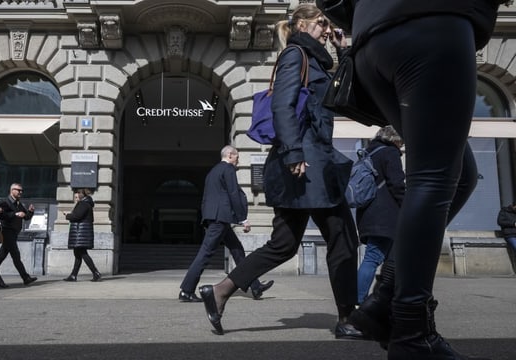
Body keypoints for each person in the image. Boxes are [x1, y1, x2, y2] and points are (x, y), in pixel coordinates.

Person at [343, 0, 503, 358]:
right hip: (434, 20)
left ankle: (384, 301)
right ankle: (412, 332)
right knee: (432, 180)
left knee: (460, 177)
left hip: (373, 40)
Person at [198, 5, 362, 339]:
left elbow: (342, 96)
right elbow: (282, 105)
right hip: (306, 164)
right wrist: (292, 152)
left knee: (284, 243)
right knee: (342, 238)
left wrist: (343, 51)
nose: (326, 29)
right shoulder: (296, 55)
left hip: (311, 163)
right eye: (322, 23)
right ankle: (348, 318)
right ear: (302, 24)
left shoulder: (316, 59)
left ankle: (219, 292)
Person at [178, 145, 274, 303]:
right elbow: (233, 194)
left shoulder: (212, 172)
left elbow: (206, 198)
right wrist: (243, 218)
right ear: (230, 155)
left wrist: (206, 218)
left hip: (216, 218)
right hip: (220, 219)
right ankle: (186, 290)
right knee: (205, 254)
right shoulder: (228, 169)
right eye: (237, 156)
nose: (238, 159)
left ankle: (255, 286)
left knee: (237, 251)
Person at [355, 126, 405, 304]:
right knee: (374, 257)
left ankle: (385, 299)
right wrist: (408, 206)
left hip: (368, 214)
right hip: (385, 216)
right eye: (401, 141)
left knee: (390, 259)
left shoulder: (369, 152)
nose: (402, 145)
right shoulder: (390, 153)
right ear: (395, 139)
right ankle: (358, 300)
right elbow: (397, 184)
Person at [0, 183, 38, 285]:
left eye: (21, 191)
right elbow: (2, 215)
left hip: (14, 233)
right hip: (7, 232)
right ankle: (25, 277)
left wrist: (30, 212)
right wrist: (15, 214)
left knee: (1, 256)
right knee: (16, 256)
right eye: (18, 190)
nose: (20, 192)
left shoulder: (18, 203)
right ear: (12, 190)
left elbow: (25, 217)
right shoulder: (5, 202)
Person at [62, 188, 102, 282]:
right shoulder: (85, 204)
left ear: (81, 195)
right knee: (78, 254)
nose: (76, 196)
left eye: (77, 194)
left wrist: (67, 215)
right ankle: (73, 275)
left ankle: (96, 272)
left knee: (83, 253)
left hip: (81, 234)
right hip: (80, 234)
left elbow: (77, 216)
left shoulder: (83, 204)